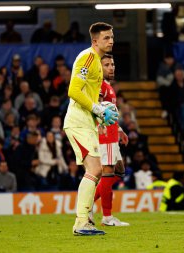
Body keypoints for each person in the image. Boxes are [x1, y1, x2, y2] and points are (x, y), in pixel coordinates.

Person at [63, 22, 118, 236]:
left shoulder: (95, 61)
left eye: (112, 37)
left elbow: (87, 93)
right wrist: (98, 109)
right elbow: (74, 91)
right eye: (106, 37)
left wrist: (98, 115)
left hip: (87, 121)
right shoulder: (87, 57)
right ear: (95, 41)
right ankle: (81, 222)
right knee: (95, 169)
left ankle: (84, 220)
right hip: (77, 121)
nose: (111, 40)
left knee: (96, 170)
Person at [91, 54, 129, 226]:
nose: (111, 67)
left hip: (113, 133)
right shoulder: (99, 84)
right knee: (108, 172)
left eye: (112, 64)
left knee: (119, 170)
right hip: (105, 135)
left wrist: (120, 129)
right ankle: (106, 216)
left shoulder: (109, 86)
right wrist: (101, 126)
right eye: (106, 65)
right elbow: (96, 106)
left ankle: (88, 203)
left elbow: (110, 112)